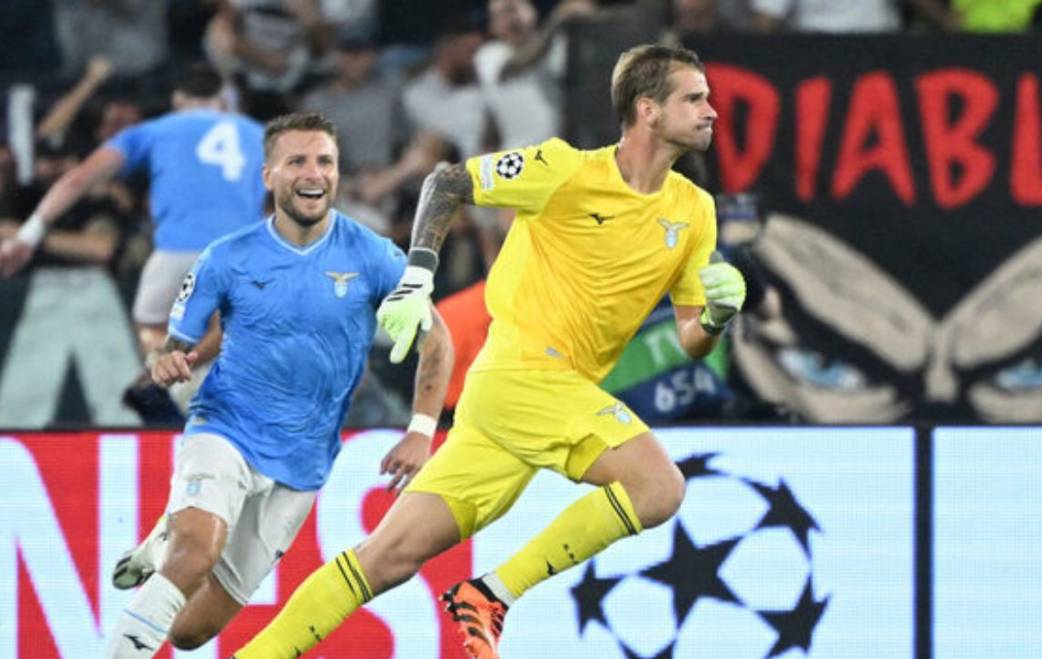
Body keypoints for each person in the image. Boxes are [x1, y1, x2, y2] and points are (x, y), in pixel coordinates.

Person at [231, 43, 746, 659]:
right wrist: (419, 274)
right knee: (659, 489)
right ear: (648, 110)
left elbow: (692, 339)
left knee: (386, 557)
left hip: (533, 399)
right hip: (523, 374)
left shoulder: (693, 211)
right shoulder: (564, 170)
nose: (712, 110)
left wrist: (715, 316)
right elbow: (447, 181)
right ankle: (492, 595)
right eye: (694, 97)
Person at [103, 111, 454, 657]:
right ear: (268, 175)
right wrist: (166, 361)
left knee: (190, 632)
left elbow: (438, 342)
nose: (313, 173)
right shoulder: (226, 257)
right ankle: (172, 548)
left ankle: (167, 531)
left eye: (325, 161)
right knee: (197, 554)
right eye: (297, 161)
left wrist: (421, 430)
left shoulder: (374, 256)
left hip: (302, 464)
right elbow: (176, 344)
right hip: (226, 427)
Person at [0, 63, 268, 422]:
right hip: (241, 254)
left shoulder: (153, 131)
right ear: (222, 101)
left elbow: (77, 180)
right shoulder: (261, 135)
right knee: (231, 325)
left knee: (149, 325)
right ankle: (205, 384)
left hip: (175, 254)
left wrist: (29, 234)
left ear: (177, 99)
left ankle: (181, 380)